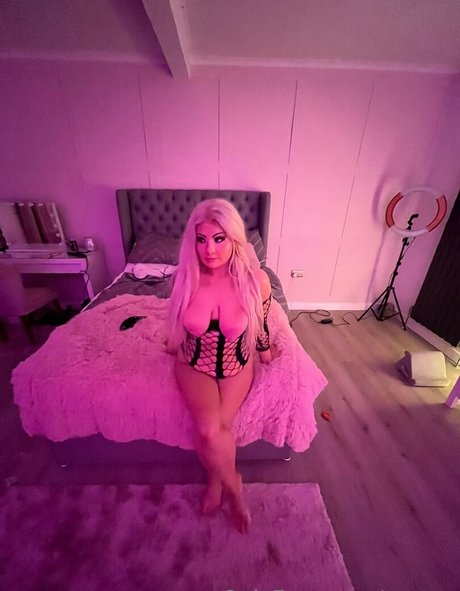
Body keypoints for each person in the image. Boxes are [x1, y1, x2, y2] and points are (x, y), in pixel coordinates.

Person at [167, 198, 276, 533]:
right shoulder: (186, 278)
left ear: (234, 238)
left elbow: (261, 325)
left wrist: (266, 354)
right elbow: (175, 329)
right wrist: (169, 345)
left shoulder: (255, 280)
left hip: (236, 366)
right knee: (208, 430)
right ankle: (235, 490)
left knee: (217, 431)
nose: (209, 249)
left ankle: (214, 481)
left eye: (219, 238)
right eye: (201, 239)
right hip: (193, 364)